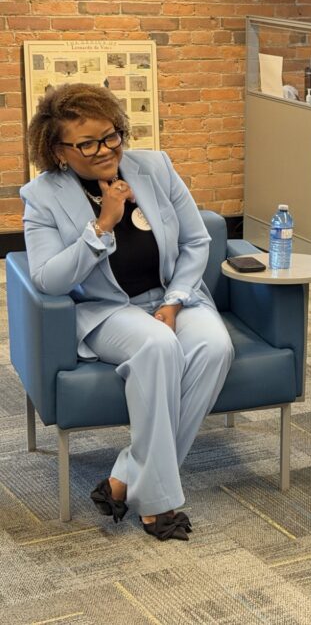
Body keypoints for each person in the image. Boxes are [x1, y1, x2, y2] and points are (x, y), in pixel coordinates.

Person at [21, 84, 234, 541]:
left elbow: (197, 241)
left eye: (112, 135)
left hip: (170, 295)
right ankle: (156, 505)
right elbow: (48, 279)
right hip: (106, 311)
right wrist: (102, 226)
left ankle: (123, 481)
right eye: (88, 144)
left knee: (215, 346)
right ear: (58, 151)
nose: (105, 150)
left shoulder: (154, 167)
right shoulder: (42, 196)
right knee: (157, 347)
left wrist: (176, 300)